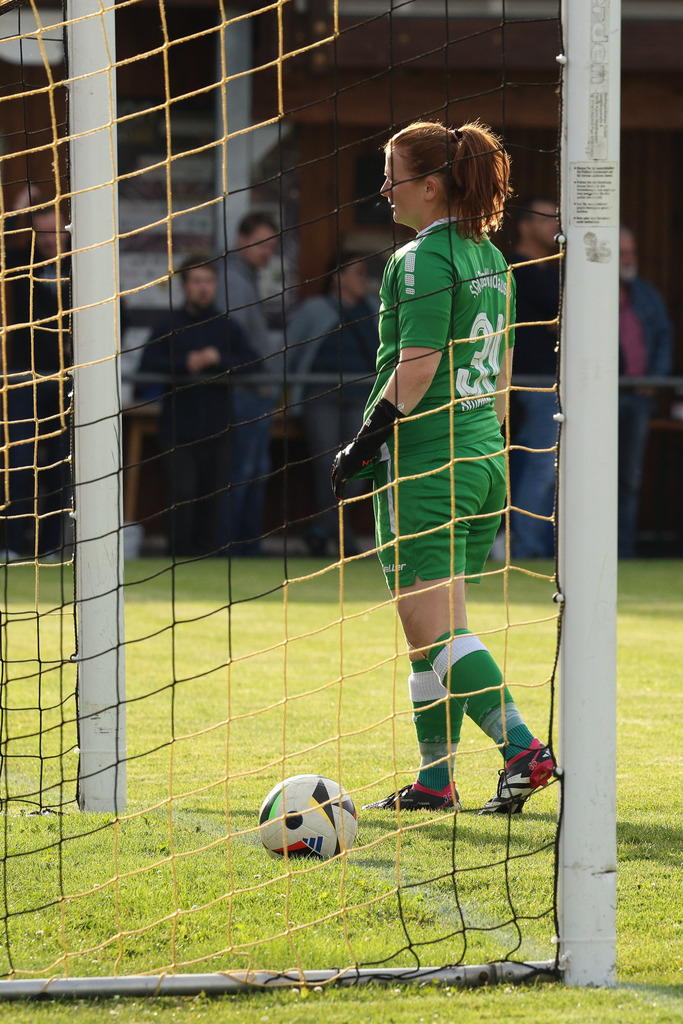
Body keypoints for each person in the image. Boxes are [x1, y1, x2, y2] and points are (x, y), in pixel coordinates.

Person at [332, 120, 555, 814]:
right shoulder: (491, 258)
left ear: (429, 186)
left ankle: (524, 751)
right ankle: (435, 781)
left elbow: (418, 363)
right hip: (482, 456)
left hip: (428, 461)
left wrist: (365, 441)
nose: (383, 187)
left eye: (392, 174)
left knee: (437, 631)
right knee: (432, 631)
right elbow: (499, 382)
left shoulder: (422, 258)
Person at [139, 256, 256, 559]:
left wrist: (220, 359)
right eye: (197, 281)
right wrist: (184, 365)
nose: (204, 288)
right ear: (184, 286)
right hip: (178, 427)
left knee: (214, 497)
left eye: (209, 281)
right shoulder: (168, 326)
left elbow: (254, 363)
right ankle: (177, 556)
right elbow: (146, 366)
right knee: (182, 493)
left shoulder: (227, 326)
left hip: (220, 427)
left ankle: (208, 556)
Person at [287, 252, 379, 556]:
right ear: (336, 276)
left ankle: (321, 530)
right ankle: (345, 541)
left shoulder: (373, 312)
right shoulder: (315, 309)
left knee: (358, 465)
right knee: (326, 464)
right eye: (357, 272)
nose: (363, 280)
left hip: (362, 397)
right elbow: (291, 348)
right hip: (321, 394)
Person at [1, 189, 72, 560]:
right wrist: (15, 215)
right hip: (21, 380)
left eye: (56, 234)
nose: (50, 242)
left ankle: (50, 547)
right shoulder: (19, 262)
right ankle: (11, 543)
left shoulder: (83, 268)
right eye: (42, 235)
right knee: (18, 465)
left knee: (63, 467)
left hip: (67, 382)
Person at [219, 213, 279, 556]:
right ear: (242, 239)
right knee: (245, 469)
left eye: (271, 246)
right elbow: (237, 340)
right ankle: (237, 547)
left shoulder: (245, 277)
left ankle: (244, 545)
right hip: (245, 393)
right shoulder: (233, 279)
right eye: (261, 243)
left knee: (255, 469)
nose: (266, 252)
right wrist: (256, 379)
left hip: (256, 392)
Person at [507, 197, 561, 559]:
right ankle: (521, 548)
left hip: (551, 384)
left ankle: (530, 544)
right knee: (538, 466)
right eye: (547, 219)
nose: (556, 225)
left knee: (545, 467)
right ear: (525, 225)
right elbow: (558, 310)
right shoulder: (514, 267)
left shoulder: (554, 270)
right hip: (526, 384)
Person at [618, 227, 673, 558]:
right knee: (586, 475)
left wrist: (656, 379)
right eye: (622, 252)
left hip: (638, 397)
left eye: (632, 252)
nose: (628, 259)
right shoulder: (587, 291)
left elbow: (664, 337)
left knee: (630, 479)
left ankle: (623, 552)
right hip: (597, 398)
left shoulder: (647, 294)